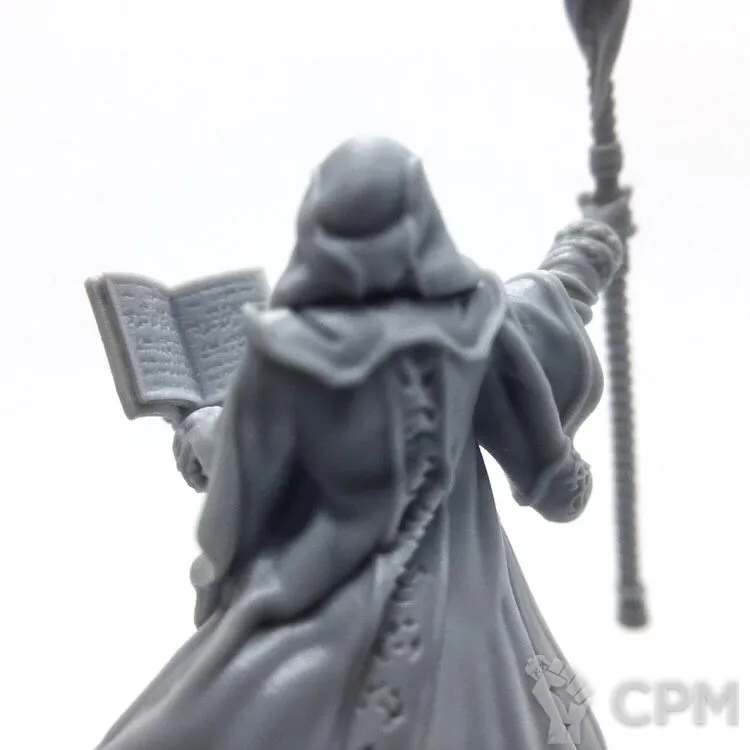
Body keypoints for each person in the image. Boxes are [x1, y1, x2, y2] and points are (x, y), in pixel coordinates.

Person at [96, 136, 623, 750]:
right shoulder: (474, 323)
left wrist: (201, 431)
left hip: (317, 612)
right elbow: (553, 478)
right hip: (470, 621)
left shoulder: (290, 350)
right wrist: (586, 252)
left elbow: (243, 491)